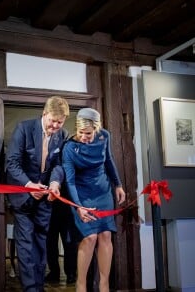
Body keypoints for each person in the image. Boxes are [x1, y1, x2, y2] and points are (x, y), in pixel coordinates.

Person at [5, 96, 70, 292]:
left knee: (42, 244)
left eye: (60, 122)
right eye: (53, 121)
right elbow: (12, 163)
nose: (56, 126)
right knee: (25, 247)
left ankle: (39, 287)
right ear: (44, 114)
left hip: (45, 199)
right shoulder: (23, 129)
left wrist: (55, 183)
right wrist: (29, 184)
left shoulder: (62, 135)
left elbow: (59, 165)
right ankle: (31, 289)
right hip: (23, 198)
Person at [62, 108, 126, 292]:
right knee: (89, 237)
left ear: (97, 129)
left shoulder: (104, 136)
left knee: (106, 235)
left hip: (103, 191)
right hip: (81, 194)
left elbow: (109, 160)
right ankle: (80, 284)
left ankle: (104, 285)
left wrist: (118, 184)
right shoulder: (68, 148)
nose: (84, 137)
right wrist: (78, 207)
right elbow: (70, 181)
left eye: (88, 133)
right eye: (81, 132)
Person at [45, 187, 78, 285]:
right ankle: (54, 272)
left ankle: (71, 273)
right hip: (50, 209)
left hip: (67, 210)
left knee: (69, 244)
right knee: (50, 244)